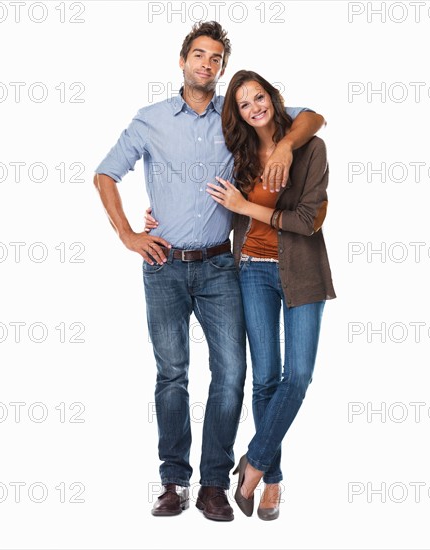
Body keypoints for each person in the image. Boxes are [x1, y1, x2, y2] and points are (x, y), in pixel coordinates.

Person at [94, 21, 325, 522]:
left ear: (221, 68)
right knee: (172, 374)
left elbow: (307, 117)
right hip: (163, 265)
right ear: (182, 61)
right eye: (198, 55)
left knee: (233, 374)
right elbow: (105, 173)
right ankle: (174, 481)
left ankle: (215, 484)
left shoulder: (234, 118)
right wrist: (129, 234)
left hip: (223, 264)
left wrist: (284, 145)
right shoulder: (150, 119)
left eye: (215, 58)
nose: (206, 64)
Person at [206, 70, 336, 520]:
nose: (254, 107)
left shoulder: (310, 147)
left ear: (272, 97)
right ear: (238, 113)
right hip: (252, 273)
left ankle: (255, 464)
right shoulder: (237, 156)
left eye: (258, 96)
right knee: (265, 380)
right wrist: (158, 217)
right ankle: (274, 481)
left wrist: (248, 207)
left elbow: (307, 221)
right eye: (244, 103)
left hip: (302, 272)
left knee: (297, 377)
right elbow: (210, 202)